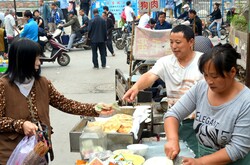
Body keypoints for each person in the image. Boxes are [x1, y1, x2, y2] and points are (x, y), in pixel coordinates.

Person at [0, 38, 114, 164]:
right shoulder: (3, 86)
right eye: (36, 58)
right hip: (12, 154)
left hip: (39, 152)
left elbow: (65, 103)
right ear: (23, 60)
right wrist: (20, 124)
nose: (40, 62)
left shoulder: (42, 83)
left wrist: (94, 108)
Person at [123, 25, 204, 153]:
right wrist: (136, 87)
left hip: (197, 123)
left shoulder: (203, 61)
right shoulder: (165, 62)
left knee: (197, 157)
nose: (174, 46)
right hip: (174, 121)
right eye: (171, 42)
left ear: (191, 42)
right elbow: (150, 75)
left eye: (178, 42)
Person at [164, 43, 250, 164]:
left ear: (232, 72)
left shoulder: (246, 102)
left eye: (215, 76)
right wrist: (172, 139)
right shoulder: (201, 88)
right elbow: (173, 114)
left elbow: (237, 149)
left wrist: (200, 162)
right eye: (205, 75)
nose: (209, 81)